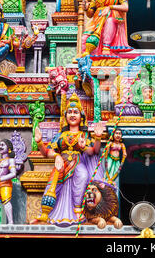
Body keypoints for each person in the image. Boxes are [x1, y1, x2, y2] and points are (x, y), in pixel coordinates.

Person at [32, 93, 105, 225]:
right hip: (62, 164)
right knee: (52, 186)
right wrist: (39, 143)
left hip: (77, 162)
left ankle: (77, 209)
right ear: (65, 116)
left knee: (83, 175)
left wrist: (97, 138)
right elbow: (47, 152)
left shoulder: (83, 135)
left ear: (81, 116)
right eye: (69, 112)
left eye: (75, 112)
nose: (72, 115)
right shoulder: (61, 135)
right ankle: (46, 214)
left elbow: (93, 151)